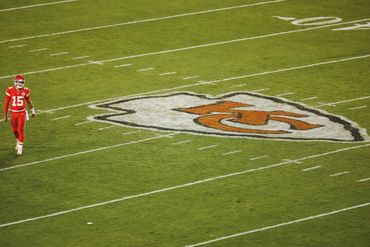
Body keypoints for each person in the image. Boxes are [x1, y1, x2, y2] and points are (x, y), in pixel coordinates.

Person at [3, 74, 36, 155]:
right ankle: (18, 141)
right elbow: (6, 103)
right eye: (18, 82)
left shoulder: (26, 90)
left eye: (21, 82)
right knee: (14, 130)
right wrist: (5, 115)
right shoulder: (10, 90)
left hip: (22, 113)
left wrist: (33, 111)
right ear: (15, 82)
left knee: (20, 129)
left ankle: (20, 147)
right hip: (13, 113)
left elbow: (29, 101)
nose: (20, 83)